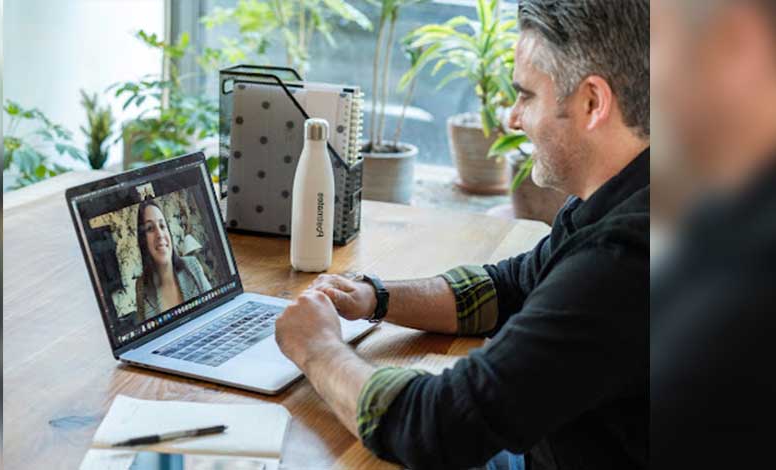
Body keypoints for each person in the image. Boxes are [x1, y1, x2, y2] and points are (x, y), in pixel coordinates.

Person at [274, 1, 650, 469]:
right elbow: (509, 286)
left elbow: (437, 428)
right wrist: (374, 296)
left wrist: (317, 348)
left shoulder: (623, 259)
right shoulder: (628, 196)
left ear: (592, 102)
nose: (513, 118)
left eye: (527, 96)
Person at [651, 0, 776, 467]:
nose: (644, 75)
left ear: (735, 46)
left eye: (656, 38)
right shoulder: (722, 219)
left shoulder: (748, 292)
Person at [135, 199, 211, 322]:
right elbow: (145, 333)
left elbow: (215, 307)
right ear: (143, 240)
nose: (159, 234)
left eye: (162, 226)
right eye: (150, 228)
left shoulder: (192, 265)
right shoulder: (141, 286)